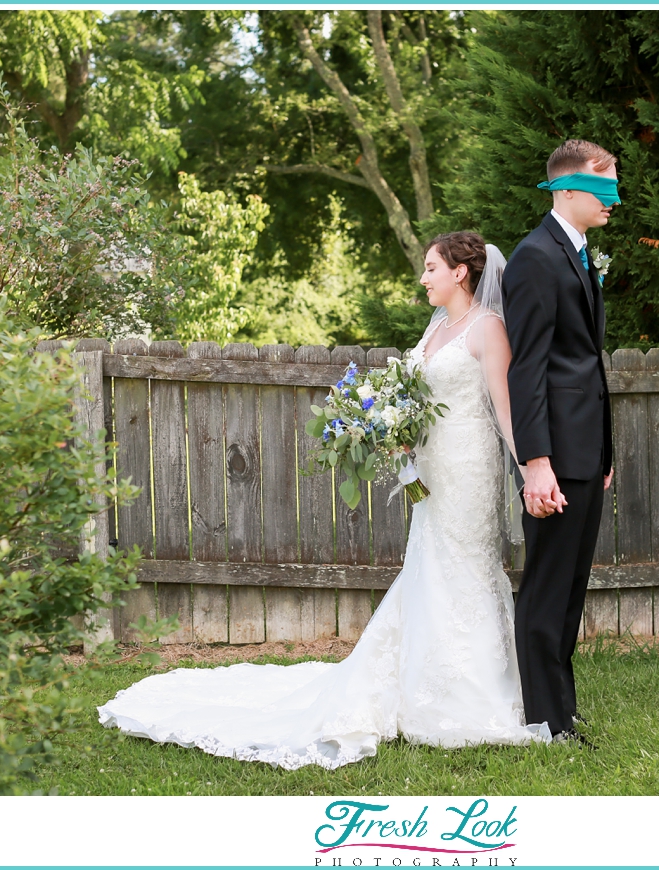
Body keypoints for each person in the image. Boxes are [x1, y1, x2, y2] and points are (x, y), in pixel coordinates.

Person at [97, 232, 550, 769]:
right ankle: (423, 680)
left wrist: (530, 470)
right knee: (431, 565)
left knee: (467, 566)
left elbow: (504, 409)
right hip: (430, 466)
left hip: (469, 466)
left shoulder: (486, 329)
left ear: (460, 272)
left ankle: (471, 691)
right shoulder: (435, 331)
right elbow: (418, 399)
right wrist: (394, 430)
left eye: (431, 268)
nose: (423, 278)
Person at [502, 140, 619, 745]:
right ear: (568, 189)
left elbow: (585, 365)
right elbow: (527, 370)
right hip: (554, 456)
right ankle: (543, 719)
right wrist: (537, 463)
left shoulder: (575, 254)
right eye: (605, 188)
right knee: (548, 585)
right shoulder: (534, 258)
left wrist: (602, 453)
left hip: (584, 452)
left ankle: (561, 712)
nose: (614, 201)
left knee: (572, 586)